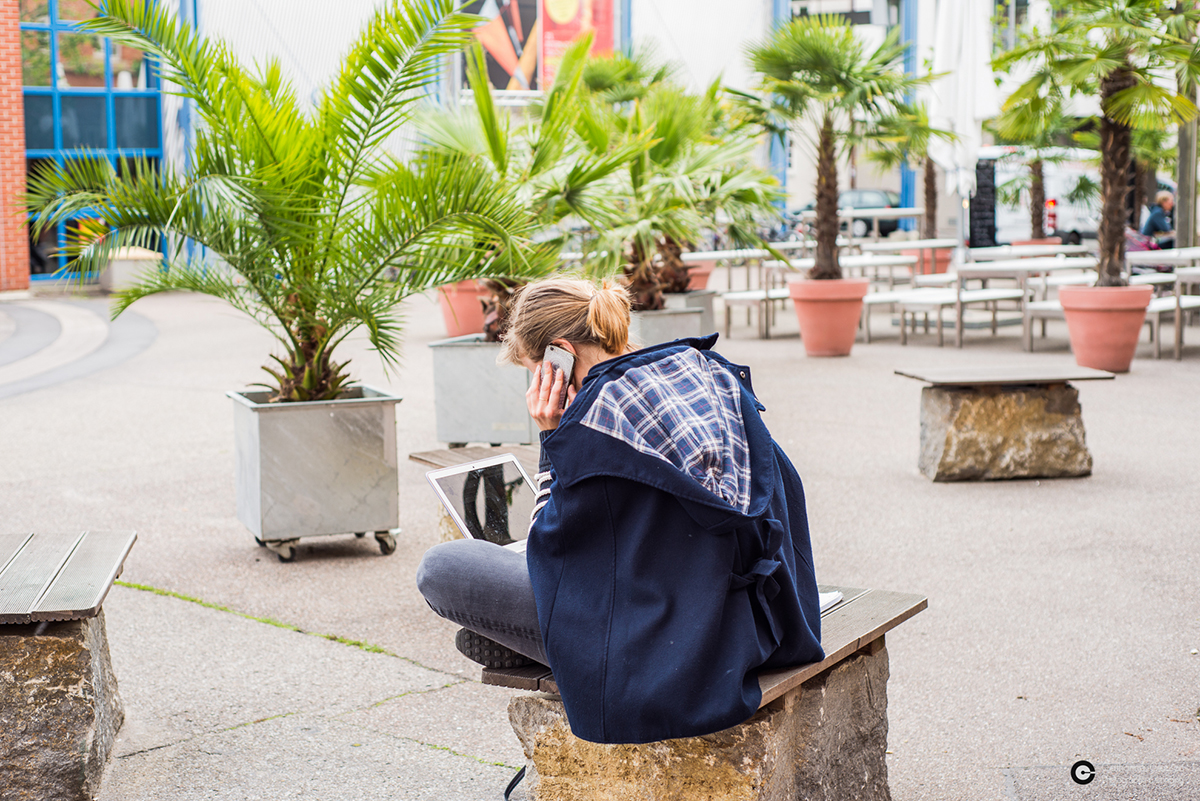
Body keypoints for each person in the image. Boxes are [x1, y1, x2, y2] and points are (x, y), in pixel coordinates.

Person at [416, 276, 824, 745]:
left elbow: (555, 563)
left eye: (536, 369)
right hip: (767, 619)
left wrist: (554, 438)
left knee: (443, 567)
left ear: (559, 355)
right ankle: (517, 641)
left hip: (674, 645)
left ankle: (532, 646)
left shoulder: (593, 425)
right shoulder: (699, 372)